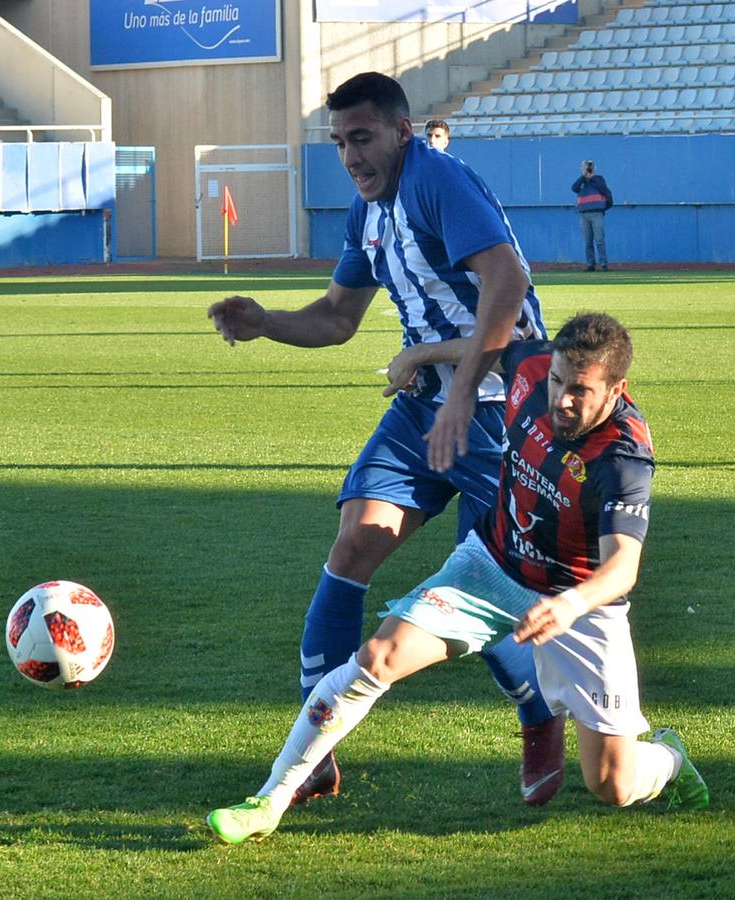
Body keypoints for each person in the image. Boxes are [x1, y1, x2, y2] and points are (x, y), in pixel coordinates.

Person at [206, 312, 710, 845]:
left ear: (616, 389)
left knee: (613, 783)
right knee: (377, 658)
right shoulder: (534, 364)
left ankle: (670, 758)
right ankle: (269, 799)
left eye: (579, 391)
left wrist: (569, 605)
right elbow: (486, 345)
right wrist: (419, 356)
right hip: (490, 565)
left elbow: (622, 567)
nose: (561, 398)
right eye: (558, 381)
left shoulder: (624, 458)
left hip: (577, 604)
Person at [206, 72, 564, 809]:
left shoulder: (438, 181)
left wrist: (462, 388)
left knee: (482, 592)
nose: (350, 156)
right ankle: (312, 757)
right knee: (352, 546)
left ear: (402, 130)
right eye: (339, 143)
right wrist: (266, 320)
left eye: (361, 137)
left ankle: (539, 715)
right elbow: (338, 317)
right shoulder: (366, 213)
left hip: (500, 409)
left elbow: (507, 280)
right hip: (425, 405)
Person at [572, 160, 613, 272]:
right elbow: (574, 188)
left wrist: (592, 177)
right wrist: (583, 177)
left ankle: (604, 264)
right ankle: (591, 264)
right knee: (588, 241)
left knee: (599, 239)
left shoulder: (599, 179)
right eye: (585, 167)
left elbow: (603, 188)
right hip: (584, 214)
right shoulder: (581, 181)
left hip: (597, 213)